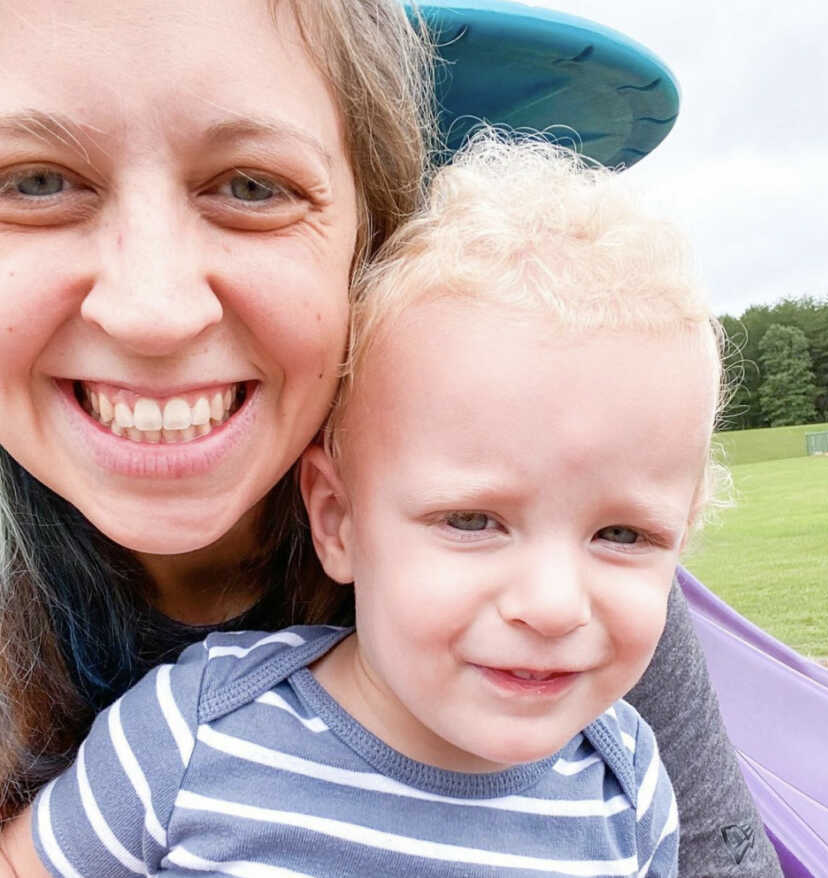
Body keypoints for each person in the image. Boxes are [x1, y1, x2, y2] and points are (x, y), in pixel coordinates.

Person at [0, 1, 781, 874]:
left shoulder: (600, 708)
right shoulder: (187, 733)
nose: (154, 311)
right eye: (33, 182)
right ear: (336, 517)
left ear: (366, 243)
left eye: (254, 186)